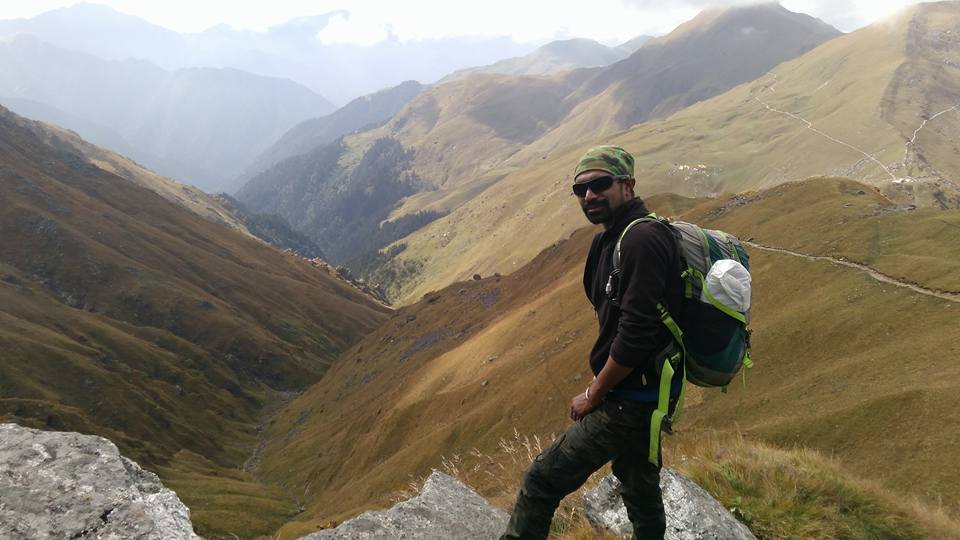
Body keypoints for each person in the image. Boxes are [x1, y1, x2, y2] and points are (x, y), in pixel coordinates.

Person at [501, 145, 684, 539]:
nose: (589, 196)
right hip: (644, 393)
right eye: (580, 189)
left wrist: (594, 394)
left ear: (628, 185)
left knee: (541, 481)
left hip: (629, 399)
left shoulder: (641, 240)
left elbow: (636, 336)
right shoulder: (609, 241)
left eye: (600, 184)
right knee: (638, 486)